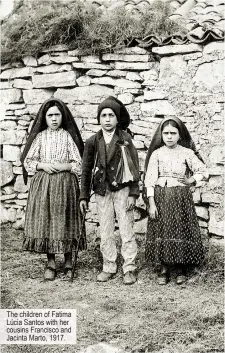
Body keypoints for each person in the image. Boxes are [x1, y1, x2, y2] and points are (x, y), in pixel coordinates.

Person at [21, 98, 86, 281]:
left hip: (65, 185)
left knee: (64, 220)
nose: (54, 119)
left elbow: (78, 163)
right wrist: (42, 165)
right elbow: (28, 161)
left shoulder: (67, 136)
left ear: (62, 116)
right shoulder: (40, 137)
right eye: (50, 115)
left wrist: (64, 166)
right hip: (44, 185)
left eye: (57, 115)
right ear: (45, 118)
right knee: (47, 221)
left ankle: (67, 261)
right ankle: (50, 262)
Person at [80, 96, 140, 285]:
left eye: (111, 115)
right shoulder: (92, 141)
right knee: (105, 229)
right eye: (104, 115)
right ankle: (109, 265)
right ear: (99, 118)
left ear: (117, 118)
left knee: (126, 228)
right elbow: (86, 169)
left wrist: (133, 193)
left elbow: (135, 167)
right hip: (101, 191)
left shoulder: (125, 138)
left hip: (122, 190)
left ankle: (129, 267)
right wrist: (83, 195)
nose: (107, 119)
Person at [144, 115, 208, 285]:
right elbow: (150, 179)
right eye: (166, 133)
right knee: (163, 229)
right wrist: (151, 203)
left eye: (173, 133)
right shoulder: (157, 154)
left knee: (179, 228)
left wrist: (191, 180)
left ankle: (180, 268)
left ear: (180, 135)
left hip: (181, 197)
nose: (169, 137)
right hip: (161, 196)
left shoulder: (186, 152)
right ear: (161, 135)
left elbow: (203, 170)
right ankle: (164, 268)